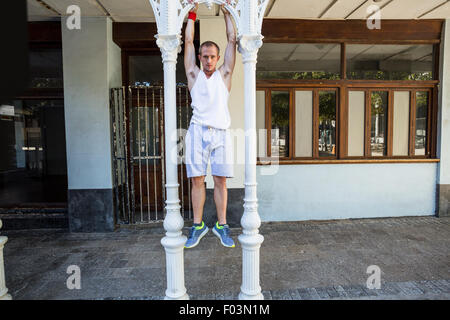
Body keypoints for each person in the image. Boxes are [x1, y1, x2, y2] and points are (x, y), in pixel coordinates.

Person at [183, 1, 236, 249]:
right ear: (200, 57)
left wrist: (227, 11)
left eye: (212, 56)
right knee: (196, 180)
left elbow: (232, 40)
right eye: (204, 56)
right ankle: (198, 225)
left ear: (217, 58)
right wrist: (192, 13)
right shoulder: (193, 75)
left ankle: (222, 225)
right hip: (197, 132)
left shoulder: (224, 75)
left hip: (221, 133)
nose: (208, 60)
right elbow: (187, 43)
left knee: (221, 180)